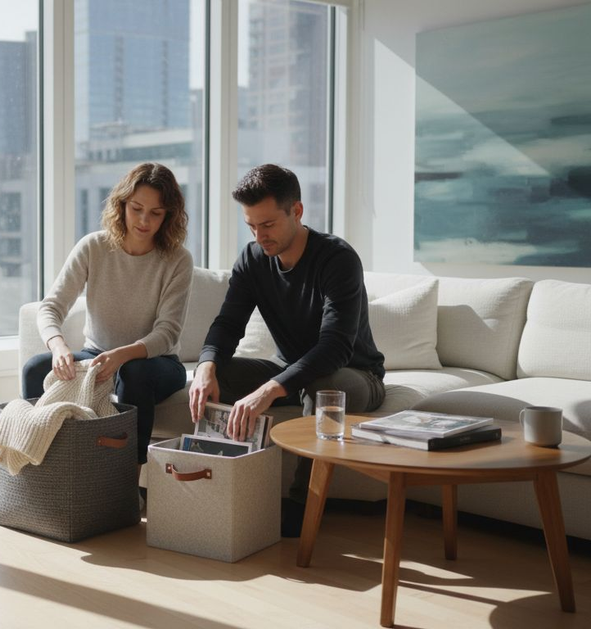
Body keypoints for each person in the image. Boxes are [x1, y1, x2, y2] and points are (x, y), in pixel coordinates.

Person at [188, 164, 385, 536]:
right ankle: (214, 484)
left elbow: (335, 347)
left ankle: (301, 505)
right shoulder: (252, 259)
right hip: (290, 371)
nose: (259, 236)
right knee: (217, 377)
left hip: (356, 374)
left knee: (323, 384)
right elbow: (228, 324)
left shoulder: (337, 259)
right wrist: (206, 366)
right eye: (251, 226)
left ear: (296, 211)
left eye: (268, 225)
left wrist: (268, 389)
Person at [22, 162, 194, 469]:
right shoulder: (93, 246)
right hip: (96, 355)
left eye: (156, 213)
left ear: (168, 215)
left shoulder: (177, 259)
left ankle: (128, 475)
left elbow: (167, 332)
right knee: (35, 368)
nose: (144, 220)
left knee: (133, 372)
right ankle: (42, 466)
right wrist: (58, 346)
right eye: (137, 208)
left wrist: (121, 356)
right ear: (122, 204)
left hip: (158, 363)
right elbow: (51, 306)